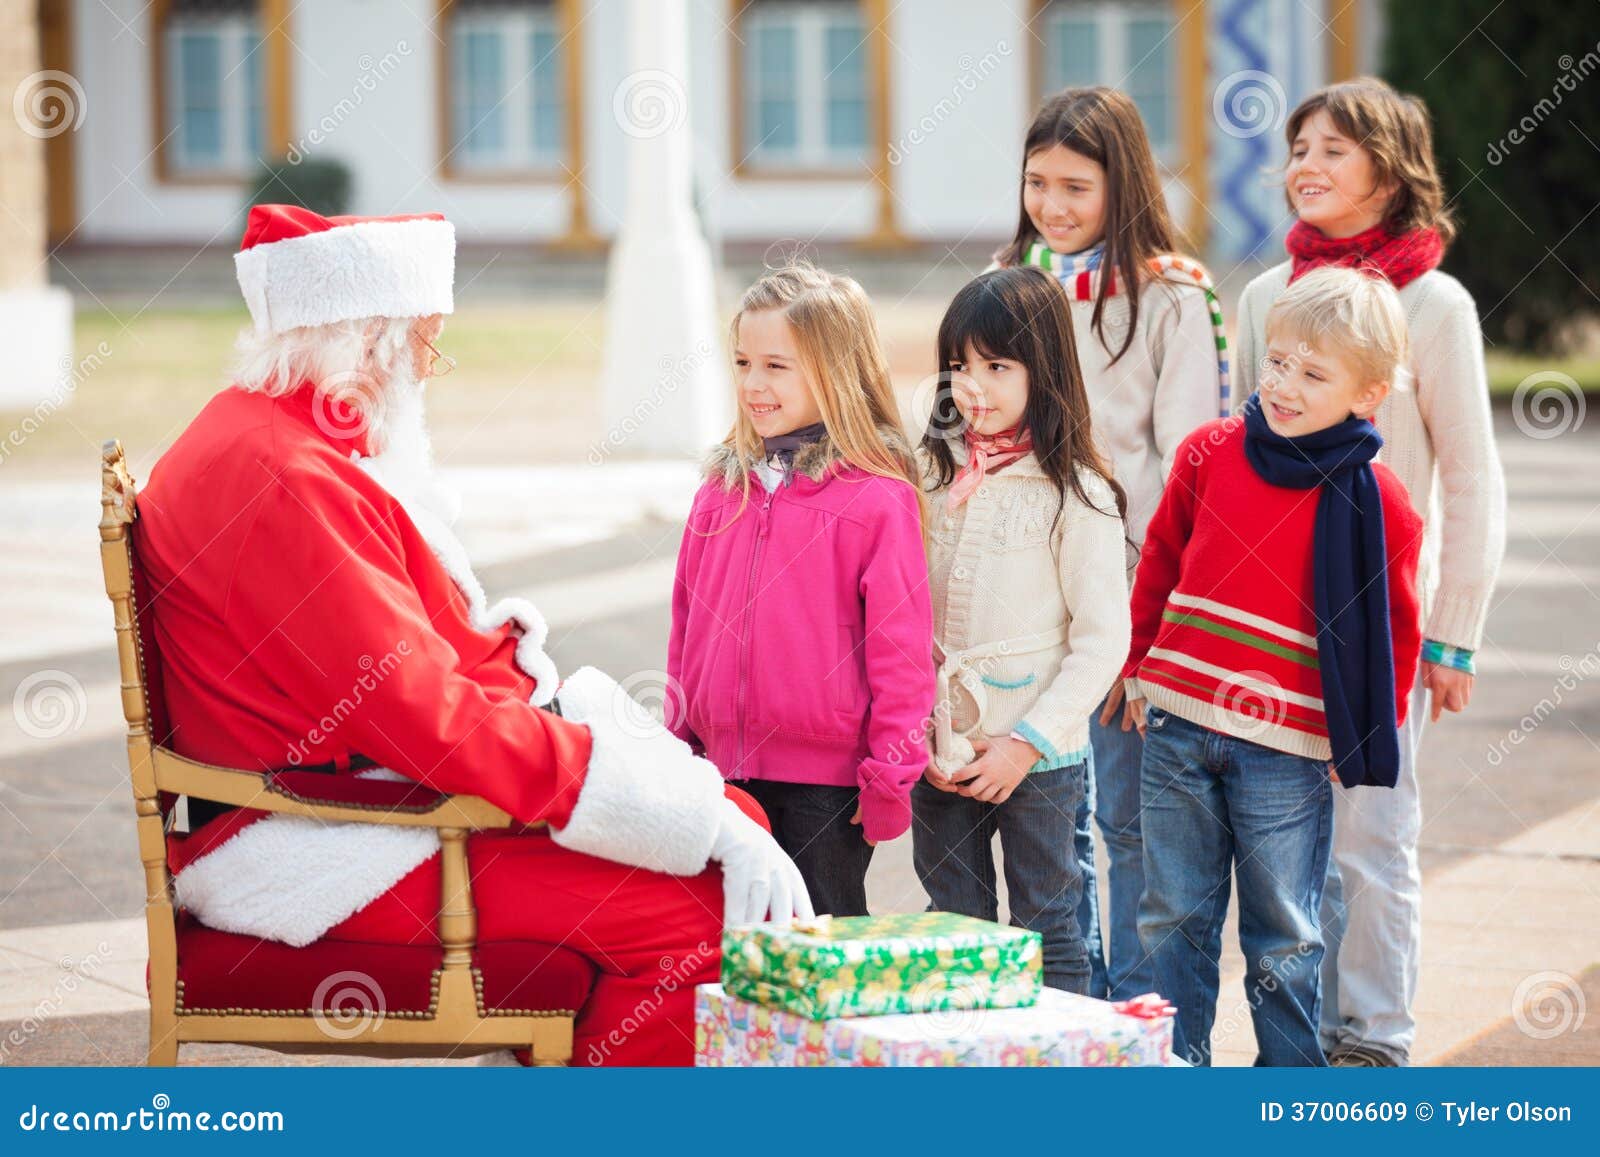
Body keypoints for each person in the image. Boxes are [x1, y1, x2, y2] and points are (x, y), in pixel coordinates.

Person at [137, 204, 809, 1068]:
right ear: (367, 343)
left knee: (730, 822)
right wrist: (628, 789)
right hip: (324, 841)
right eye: (425, 342)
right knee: (714, 910)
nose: (428, 368)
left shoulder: (275, 432)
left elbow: (410, 677)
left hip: (353, 806)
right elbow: (427, 719)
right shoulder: (286, 477)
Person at [1230, 77, 1507, 1066]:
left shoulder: (1434, 304)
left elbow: (1471, 476)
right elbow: (1233, 461)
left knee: (1370, 839)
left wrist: (1454, 629)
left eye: (1334, 149)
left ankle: (1375, 1035)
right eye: (1299, 146)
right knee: (1276, 848)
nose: (1305, 163)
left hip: (1383, 623)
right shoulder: (1267, 296)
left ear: (1389, 172)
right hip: (1268, 619)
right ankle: (1296, 1036)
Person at [1126, 266, 1424, 1065]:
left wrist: (1362, 737)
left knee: (1285, 930)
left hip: (1288, 749)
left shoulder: (1381, 502)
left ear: (1369, 394)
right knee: (1171, 913)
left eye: (1313, 372)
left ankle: (1289, 1087)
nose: (1284, 384)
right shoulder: (1209, 453)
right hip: (1180, 725)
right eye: (1278, 360)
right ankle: (1172, 1071)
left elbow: (1396, 634)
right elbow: (1158, 562)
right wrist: (1136, 665)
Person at [991, 86, 1228, 999]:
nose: (1053, 204)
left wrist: (1147, 625)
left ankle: (1138, 1012)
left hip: (1125, 595)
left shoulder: (1174, 295)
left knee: (1128, 821)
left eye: (1076, 186)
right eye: (1037, 182)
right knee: (1047, 811)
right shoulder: (1009, 280)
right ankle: (1064, 1001)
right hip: (1021, 591)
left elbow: (1188, 468)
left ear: (1120, 184)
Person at [667, 263, 935, 917]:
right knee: (730, 951)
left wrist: (891, 775)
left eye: (776, 366)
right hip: (723, 777)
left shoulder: (877, 498)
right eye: (742, 362)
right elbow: (685, 628)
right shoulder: (719, 492)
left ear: (835, 371)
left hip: (825, 789)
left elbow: (902, 651)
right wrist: (677, 744)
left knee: (819, 953)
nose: (753, 384)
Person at [911, 266, 1131, 994]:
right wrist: (917, 732)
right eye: (958, 367)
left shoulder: (1077, 493)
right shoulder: (928, 476)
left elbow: (1103, 642)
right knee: (955, 926)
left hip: (1039, 759)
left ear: (1046, 369)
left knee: (1049, 924)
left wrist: (1024, 743)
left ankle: (1060, 1080)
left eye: (997, 366)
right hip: (940, 753)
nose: (973, 386)